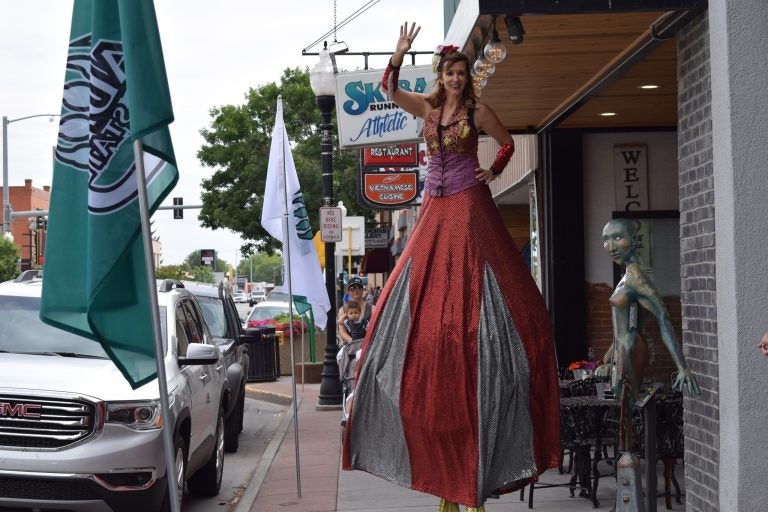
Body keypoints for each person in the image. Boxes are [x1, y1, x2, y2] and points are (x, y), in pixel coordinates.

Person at [342, 22, 560, 512]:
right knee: (410, 296)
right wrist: (397, 54)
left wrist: (495, 171)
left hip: (468, 204)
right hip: (434, 209)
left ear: (468, 77)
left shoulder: (480, 111)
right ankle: (443, 466)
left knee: (482, 297)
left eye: (462, 72)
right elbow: (389, 90)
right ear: (441, 75)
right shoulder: (427, 107)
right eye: (451, 72)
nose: (457, 78)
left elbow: (504, 145)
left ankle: (477, 461)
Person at [597, 218, 700, 449]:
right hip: (622, 350)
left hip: (631, 350)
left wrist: (682, 366)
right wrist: (610, 355)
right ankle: (628, 473)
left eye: (617, 237)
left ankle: (630, 475)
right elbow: (627, 324)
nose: (611, 246)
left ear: (634, 241)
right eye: (605, 239)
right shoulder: (628, 276)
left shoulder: (637, 279)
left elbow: (664, 320)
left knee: (626, 417)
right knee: (623, 416)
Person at [337, 276, 373, 342]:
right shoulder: (342, 310)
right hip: (351, 347)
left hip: (369, 346)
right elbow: (342, 332)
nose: (356, 290)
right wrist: (354, 342)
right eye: (352, 288)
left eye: (359, 287)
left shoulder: (372, 308)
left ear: (362, 290)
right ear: (348, 291)